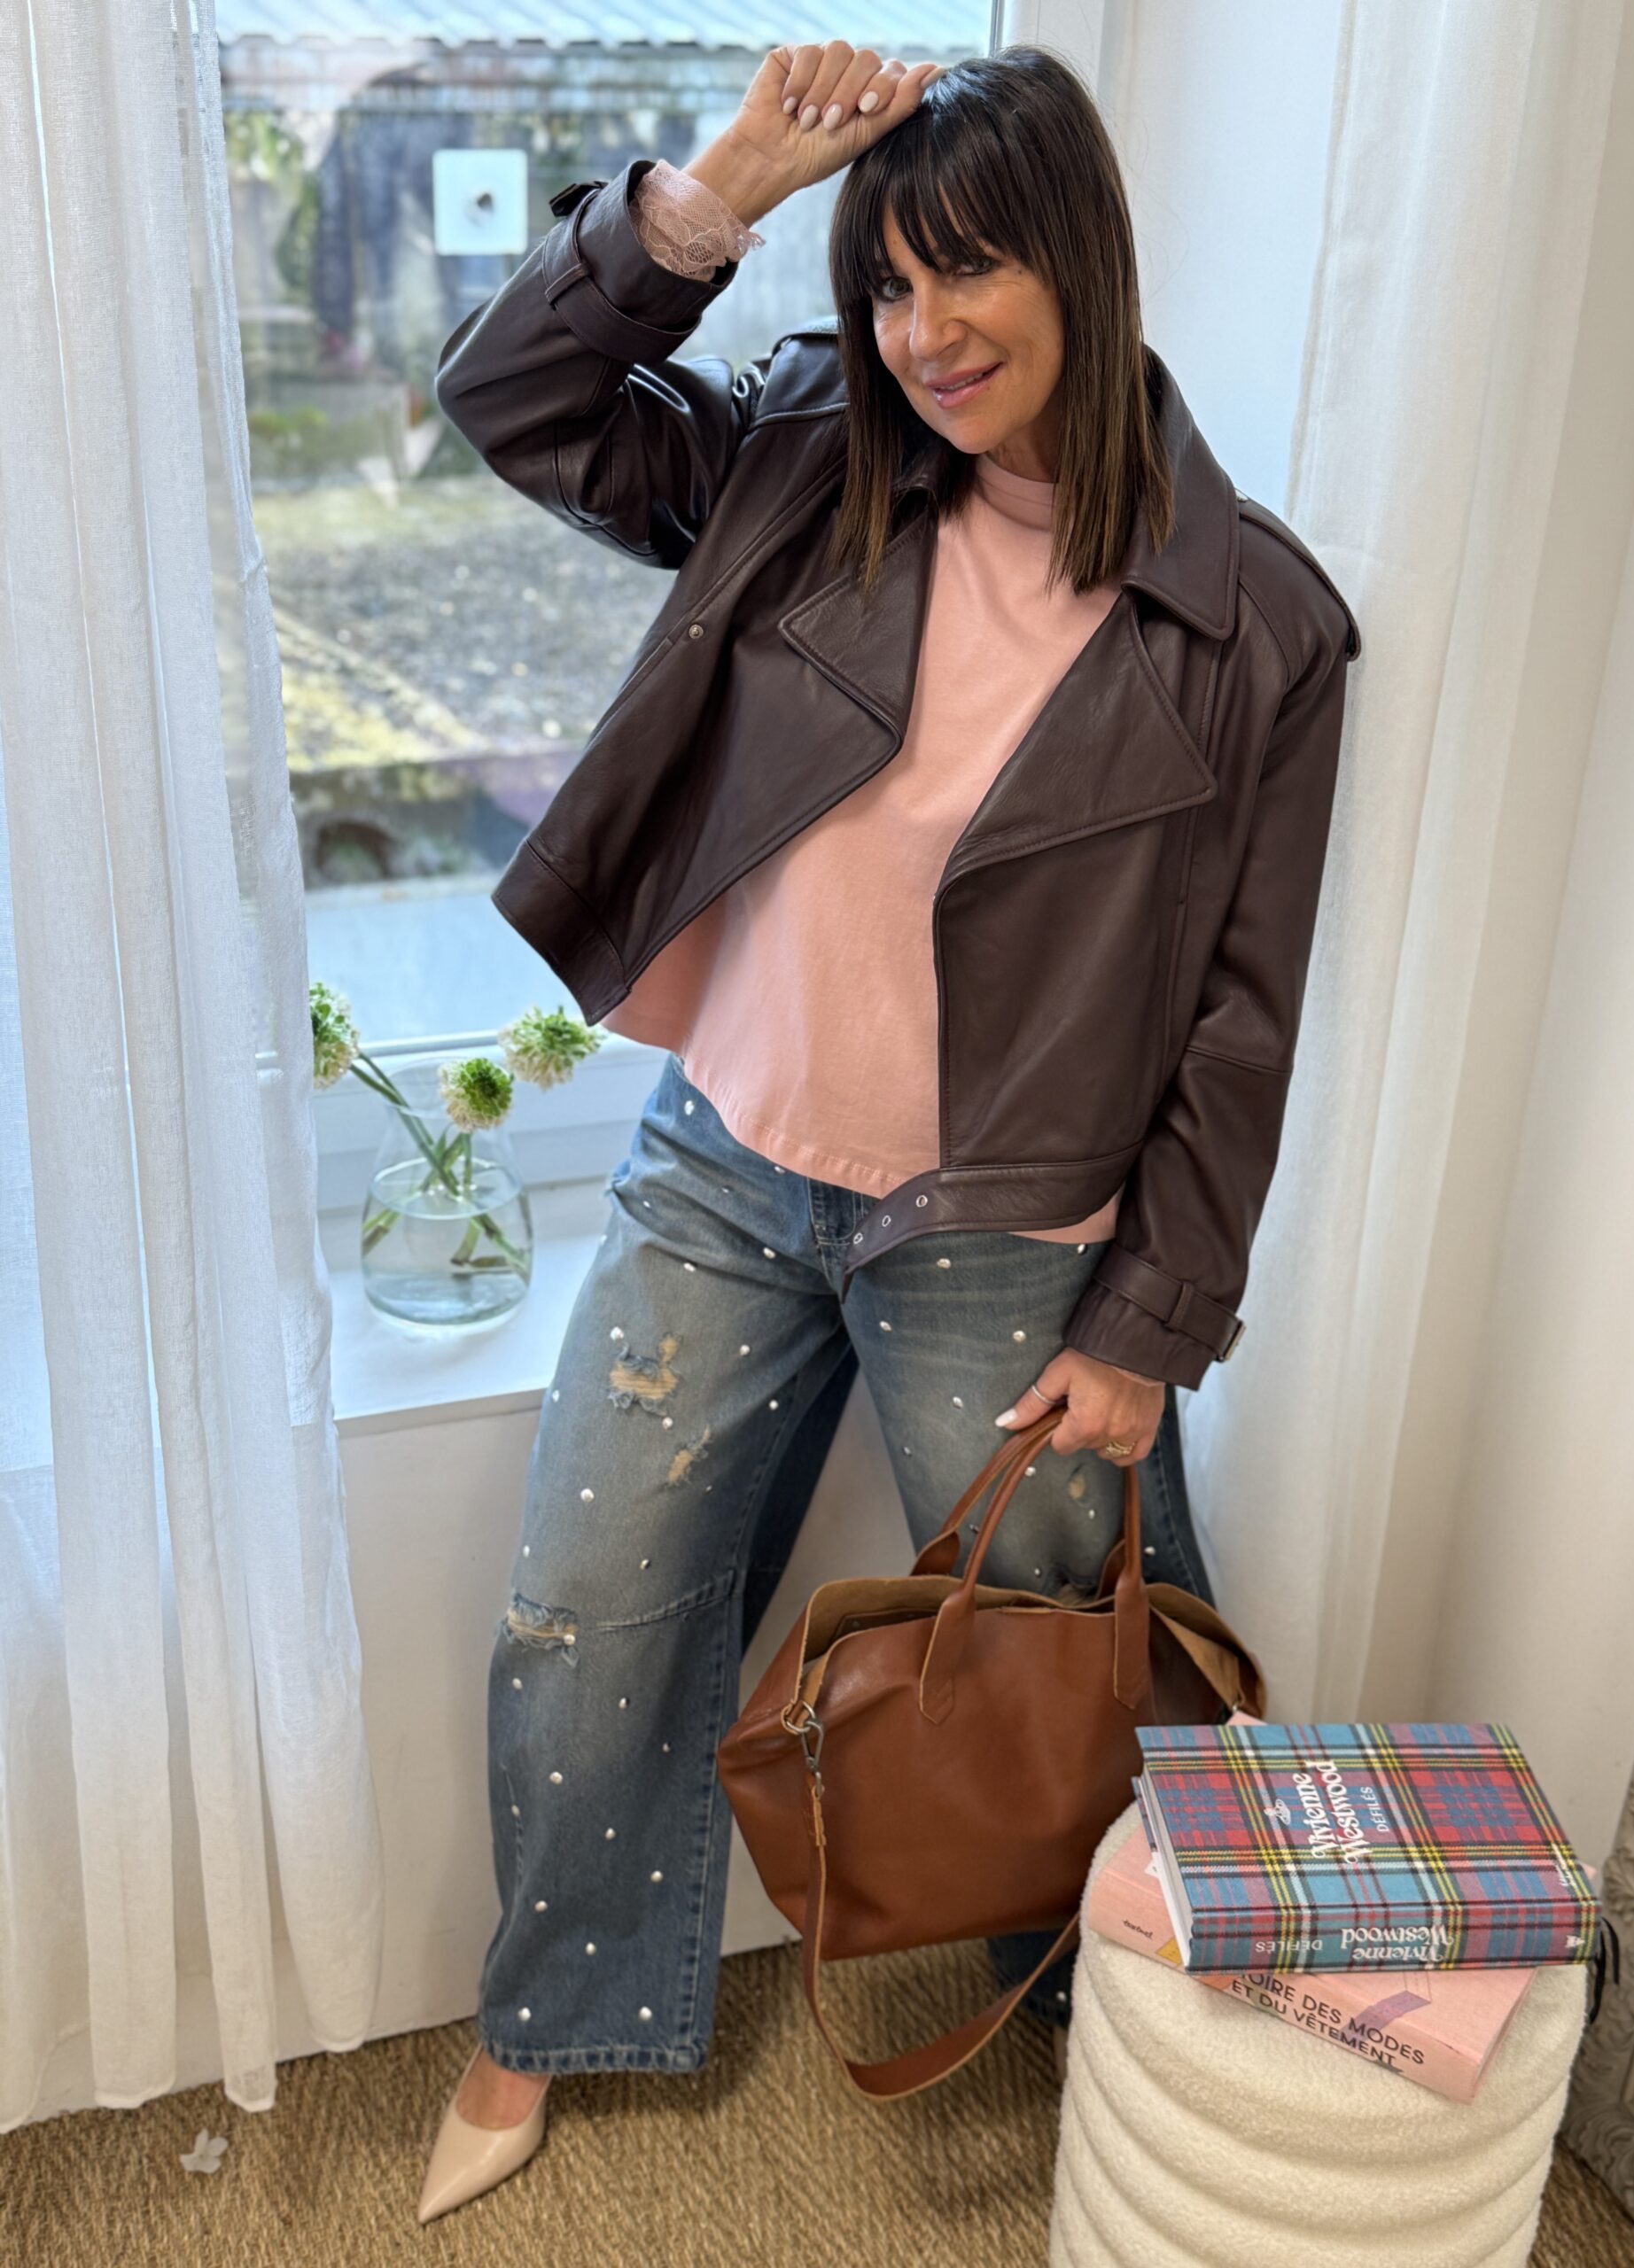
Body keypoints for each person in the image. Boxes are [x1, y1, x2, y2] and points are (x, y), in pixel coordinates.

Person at [422, 38, 1359, 2220]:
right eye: (888, 285)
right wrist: (716, 194)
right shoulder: (800, 460)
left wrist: (1149, 1325)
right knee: (588, 1605)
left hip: (1010, 1224)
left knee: (1075, 1653)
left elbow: (1243, 1018)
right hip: (726, 1159)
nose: (924, 333)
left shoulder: (1258, 624)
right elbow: (518, 405)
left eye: (971, 275)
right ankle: (549, 2005)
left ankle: (1136, 2022)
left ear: (1083, 262)